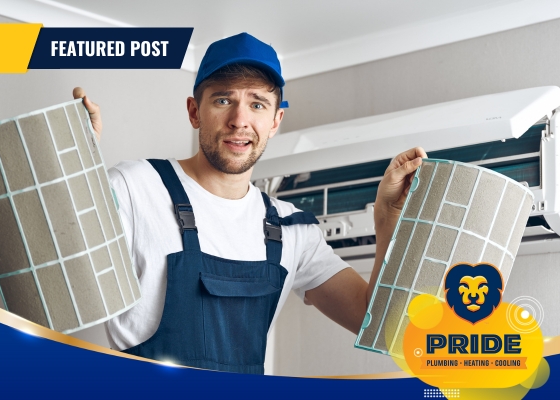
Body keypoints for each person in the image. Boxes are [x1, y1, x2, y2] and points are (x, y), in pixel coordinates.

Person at [73, 32, 426, 374]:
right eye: (223, 100)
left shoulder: (293, 229)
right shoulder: (137, 188)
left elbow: (377, 325)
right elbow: (54, 262)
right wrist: (73, 164)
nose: (240, 120)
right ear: (195, 112)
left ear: (275, 121)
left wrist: (387, 217)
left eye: (257, 104)